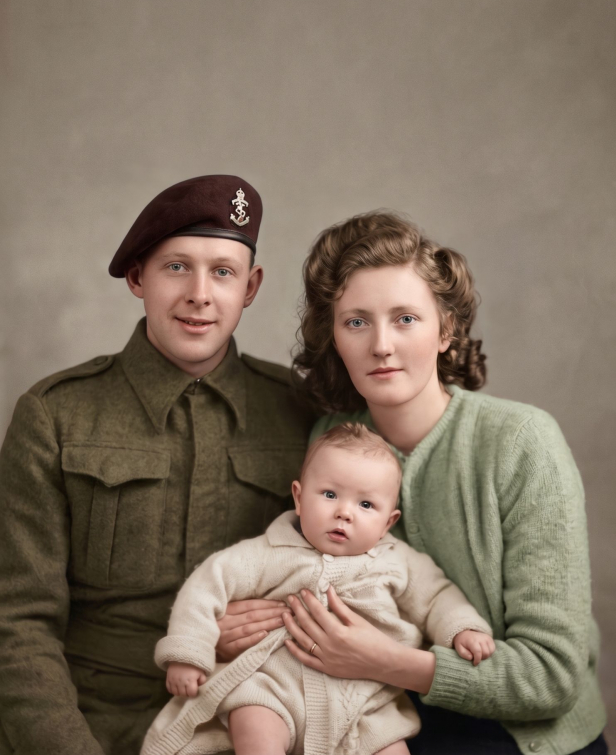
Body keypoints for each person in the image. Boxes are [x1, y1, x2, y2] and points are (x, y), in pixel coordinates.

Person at [267, 210, 607, 755]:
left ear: (446, 330)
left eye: (405, 318)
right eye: (356, 322)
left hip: (521, 736)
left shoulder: (522, 442)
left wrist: (386, 661)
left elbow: (552, 676)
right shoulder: (329, 439)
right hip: (383, 722)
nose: (381, 345)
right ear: (333, 337)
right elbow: (308, 582)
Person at [0, 175, 314, 755]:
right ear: (138, 277)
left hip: (255, 720)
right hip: (95, 724)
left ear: (250, 287)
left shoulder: (299, 413)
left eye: (223, 272)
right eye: (176, 267)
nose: (200, 294)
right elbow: (17, 624)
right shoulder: (55, 415)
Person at [141, 422, 495, 755]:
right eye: (329, 494)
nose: (344, 513)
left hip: (364, 701)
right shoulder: (267, 552)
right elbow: (205, 588)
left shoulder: (398, 561)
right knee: (252, 722)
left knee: (390, 745)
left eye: (366, 504)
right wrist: (188, 653)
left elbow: (436, 597)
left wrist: (463, 628)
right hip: (273, 687)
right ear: (298, 497)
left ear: (388, 522)